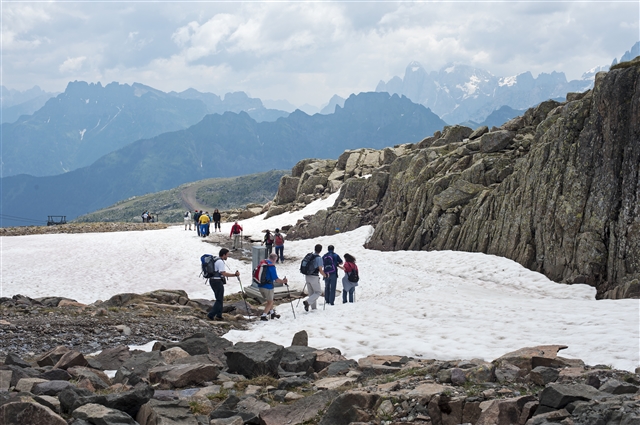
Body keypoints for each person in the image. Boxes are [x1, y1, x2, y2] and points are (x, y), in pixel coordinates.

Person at [207, 248, 240, 321]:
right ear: (224, 255)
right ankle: (211, 315)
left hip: (213, 281)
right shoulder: (220, 262)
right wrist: (234, 275)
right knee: (219, 299)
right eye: (227, 254)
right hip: (217, 281)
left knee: (219, 298)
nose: (227, 256)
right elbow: (223, 273)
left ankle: (219, 315)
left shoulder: (216, 260)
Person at [258, 253, 288, 321]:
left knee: (270, 300)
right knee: (270, 302)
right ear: (274, 259)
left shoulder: (263, 263)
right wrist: (283, 281)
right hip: (268, 287)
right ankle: (264, 316)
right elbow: (276, 280)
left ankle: (272, 313)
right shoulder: (271, 267)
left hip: (260, 285)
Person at [302, 244, 327, 312]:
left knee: (311, 293)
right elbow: (320, 270)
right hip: (314, 276)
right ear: (320, 250)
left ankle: (313, 308)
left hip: (307, 276)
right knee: (318, 292)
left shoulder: (310, 256)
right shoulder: (319, 258)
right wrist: (325, 275)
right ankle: (308, 302)